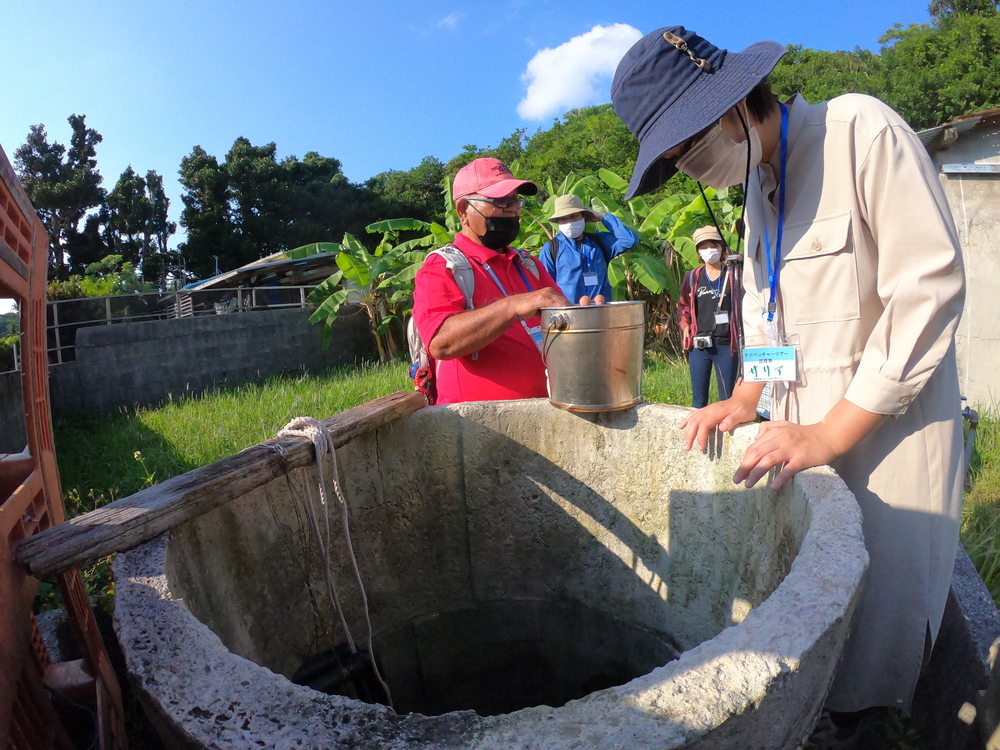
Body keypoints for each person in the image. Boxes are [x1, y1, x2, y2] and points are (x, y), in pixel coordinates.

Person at [612, 26, 966, 721]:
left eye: (686, 149)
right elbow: (770, 321)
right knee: (830, 610)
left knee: (883, 624)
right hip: (809, 443)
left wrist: (830, 433)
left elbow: (928, 290)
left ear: (731, 105)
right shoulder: (758, 198)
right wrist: (746, 397)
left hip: (889, 440)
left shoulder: (859, 130)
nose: (689, 168)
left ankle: (872, 724)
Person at [411, 158, 570, 404]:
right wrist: (512, 306)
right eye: (499, 201)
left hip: (545, 415)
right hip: (477, 429)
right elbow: (440, 342)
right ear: (464, 210)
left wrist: (586, 314)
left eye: (515, 201)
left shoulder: (527, 264)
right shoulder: (443, 267)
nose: (512, 209)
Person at [678, 225, 742, 407]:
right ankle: (699, 434)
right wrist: (685, 327)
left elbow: (747, 301)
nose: (708, 251)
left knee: (727, 398)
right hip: (700, 345)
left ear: (721, 248)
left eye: (712, 246)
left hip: (726, 345)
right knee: (698, 400)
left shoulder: (734, 274)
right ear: (698, 251)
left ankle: (728, 432)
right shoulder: (692, 277)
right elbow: (683, 305)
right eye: (703, 247)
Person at [541, 193, 638, 302]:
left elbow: (629, 240)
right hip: (569, 312)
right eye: (563, 219)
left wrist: (603, 217)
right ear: (558, 222)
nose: (569, 223)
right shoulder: (552, 248)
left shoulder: (599, 241)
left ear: (584, 217)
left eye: (574, 216)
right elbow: (545, 286)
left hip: (600, 309)